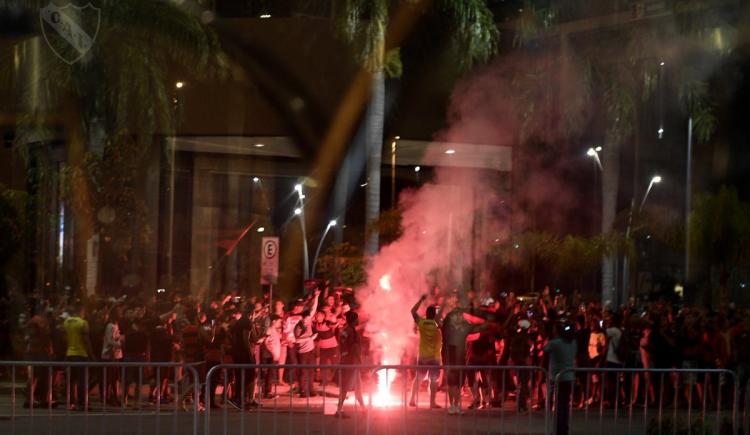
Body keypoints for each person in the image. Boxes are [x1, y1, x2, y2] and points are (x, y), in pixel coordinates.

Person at [408, 295, 442, 409]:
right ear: (434, 315)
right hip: (435, 357)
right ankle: (432, 403)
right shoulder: (437, 324)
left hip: (423, 356)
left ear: (426, 314)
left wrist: (421, 300)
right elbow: (440, 318)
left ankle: (412, 399)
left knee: (418, 378)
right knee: (433, 380)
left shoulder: (421, 323)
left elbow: (412, 311)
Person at [544, 319, 577, 435]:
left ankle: (559, 429)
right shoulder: (573, 342)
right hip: (569, 377)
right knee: (565, 405)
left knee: (559, 405)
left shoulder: (554, 343)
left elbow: (545, 349)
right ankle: (564, 429)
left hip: (558, 377)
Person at [64, 304, 94, 410]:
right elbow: (86, 340)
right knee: (82, 380)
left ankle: (71, 403)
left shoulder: (66, 322)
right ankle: (82, 403)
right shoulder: (83, 323)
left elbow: (65, 338)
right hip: (81, 355)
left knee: (71, 381)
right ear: (82, 311)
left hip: (69, 354)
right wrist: (91, 355)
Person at [335, 311, 365, 417]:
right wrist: (360, 362)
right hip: (351, 363)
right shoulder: (352, 332)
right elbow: (354, 348)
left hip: (345, 361)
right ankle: (339, 410)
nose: (358, 321)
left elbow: (341, 346)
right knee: (347, 388)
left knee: (356, 387)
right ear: (353, 320)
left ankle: (363, 409)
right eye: (356, 319)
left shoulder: (344, 330)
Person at [260, 315, 283, 399]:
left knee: (271, 374)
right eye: (279, 321)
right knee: (269, 374)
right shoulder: (269, 330)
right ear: (274, 321)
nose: (280, 323)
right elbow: (266, 343)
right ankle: (267, 392)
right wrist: (273, 353)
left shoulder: (274, 330)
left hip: (274, 355)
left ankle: (268, 391)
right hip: (270, 356)